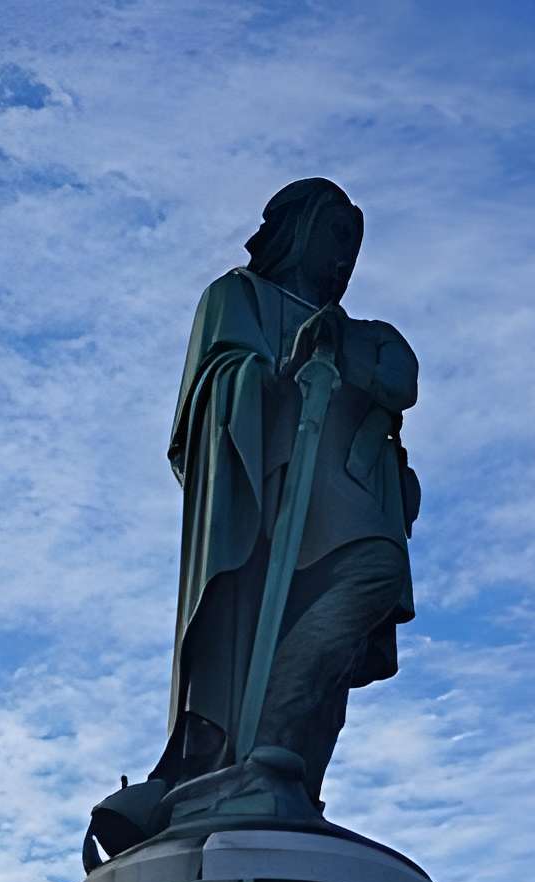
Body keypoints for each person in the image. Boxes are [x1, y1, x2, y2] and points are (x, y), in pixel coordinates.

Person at [151, 178, 421, 805]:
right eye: (334, 238)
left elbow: (400, 381)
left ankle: (283, 758)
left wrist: (341, 357)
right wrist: (278, 374)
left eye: (354, 248)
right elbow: (214, 386)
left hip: (342, 494)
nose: (343, 259)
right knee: (370, 570)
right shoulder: (237, 294)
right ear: (296, 232)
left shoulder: (362, 331)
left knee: (365, 588)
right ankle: (254, 753)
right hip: (268, 482)